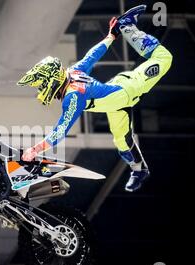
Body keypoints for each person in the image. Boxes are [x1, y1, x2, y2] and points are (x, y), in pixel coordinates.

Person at [17, 5, 172, 192]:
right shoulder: (72, 73)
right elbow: (91, 55)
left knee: (164, 57)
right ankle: (139, 170)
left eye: (42, 84)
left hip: (130, 87)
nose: (41, 88)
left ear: (51, 79)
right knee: (121, 140)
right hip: (116, 101)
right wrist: (110, 37)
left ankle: (128, 26)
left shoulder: (73, 96)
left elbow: (60, 131)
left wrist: (34, 150)